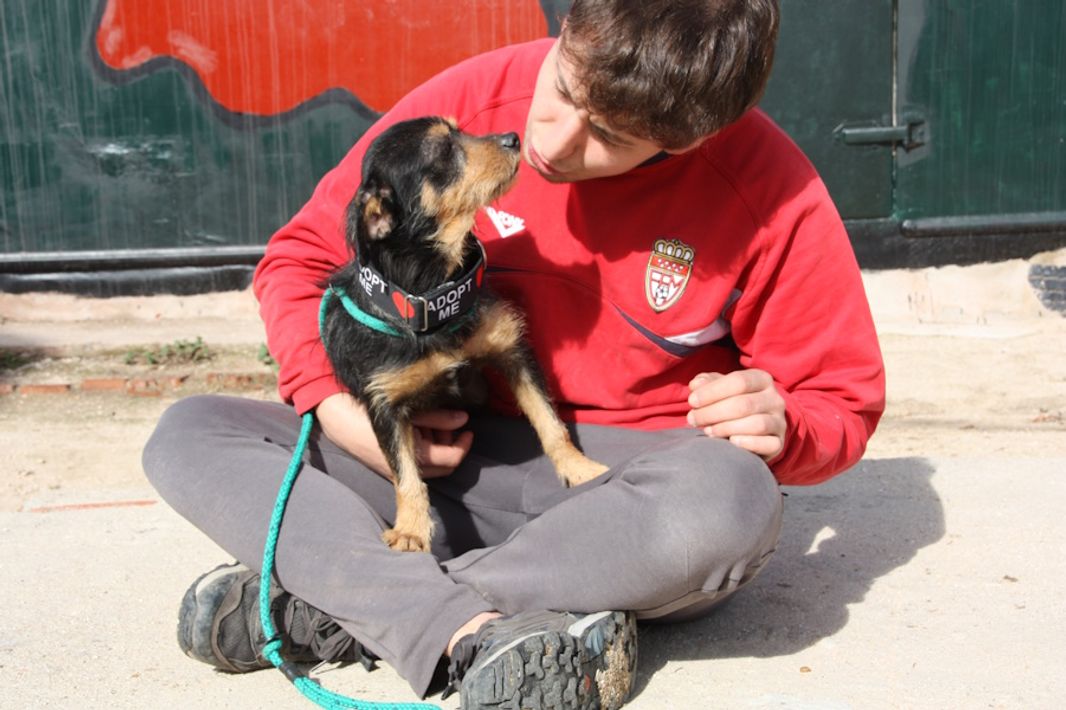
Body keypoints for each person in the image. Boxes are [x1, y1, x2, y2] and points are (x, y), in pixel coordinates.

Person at [143, 1, 885, 707]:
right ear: (567, 29)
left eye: (609, 136)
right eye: (562, 87)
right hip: (428, 468)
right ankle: (487, 615)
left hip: (614, 496)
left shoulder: (769, 189)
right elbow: (300, 260)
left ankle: (352, 608)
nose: (551, 143)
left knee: (731, 501)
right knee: (193, 432)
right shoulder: (471, 103)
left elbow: (840, 402)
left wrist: (785, 426)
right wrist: (338, 411)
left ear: (689, 139)